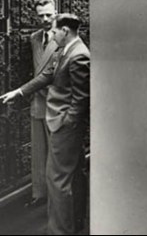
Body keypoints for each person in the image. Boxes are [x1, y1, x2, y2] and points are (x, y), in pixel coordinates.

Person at [1, 14, 90, 235]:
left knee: (57, 178)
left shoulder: (79, 55)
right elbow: (47, 75)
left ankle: (59, 231)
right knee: (74, 175)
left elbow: (81, 98)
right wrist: (19, 92)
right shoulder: (66, 50)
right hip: (63, 124)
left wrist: (66, 124)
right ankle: (76, 224)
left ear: (65, 31)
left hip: (64, 126)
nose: (52, 35)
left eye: (55, 31)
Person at [26, 0, 59, 208]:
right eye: (41, 16)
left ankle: (58, 199)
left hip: (56, 103)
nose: (45, 19)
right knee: (38, 152)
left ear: (56, 12)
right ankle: (39, 195)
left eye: (49, 14)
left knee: (57, 154)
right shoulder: (34, 38)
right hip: (38, 102)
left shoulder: (65, 37)